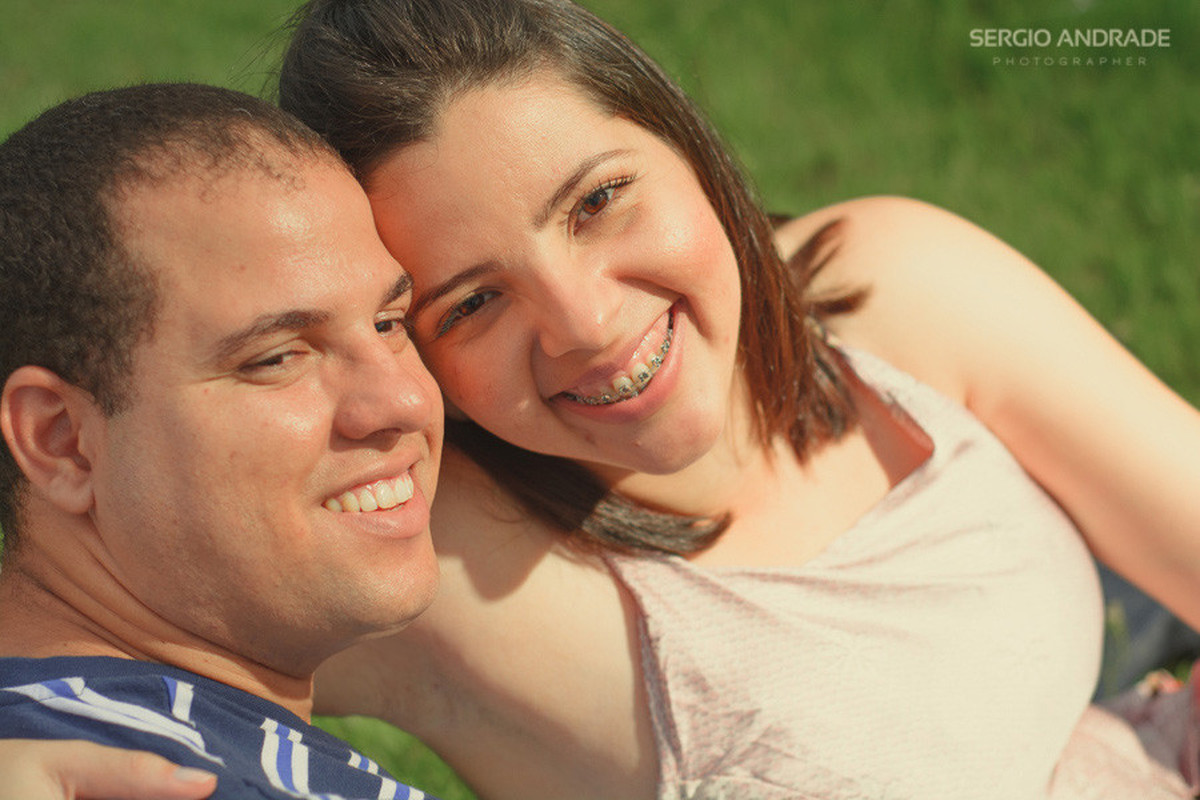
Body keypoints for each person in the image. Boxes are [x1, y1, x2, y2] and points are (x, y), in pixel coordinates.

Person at [7, 0, 1200, 798]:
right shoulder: (438, 546)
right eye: (468, 302)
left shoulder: (889, 296)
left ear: (687, 142)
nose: (585, 323)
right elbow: (101, 567)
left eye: (598, 201)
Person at [0, 82, 444, 800]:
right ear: (63, 443)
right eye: (277, 358)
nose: (404, 400)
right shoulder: (105, 777)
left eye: (390, 323)